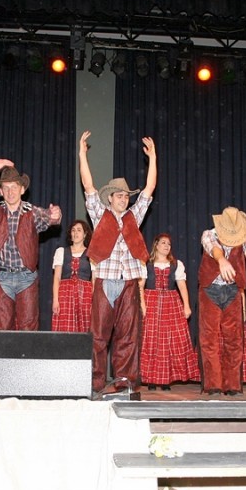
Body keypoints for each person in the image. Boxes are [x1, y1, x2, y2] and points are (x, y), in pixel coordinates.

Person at [79, 130, 157, 393]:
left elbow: (149, 190)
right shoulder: (100, 214)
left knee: (128, 338)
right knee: (98, 337)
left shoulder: (135, 215)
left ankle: (124, 385)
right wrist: (82, 155)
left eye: (126, 196)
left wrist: (153, 159)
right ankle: (94, 384)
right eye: (119, 195)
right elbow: (88, 187)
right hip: (105, 282)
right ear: (110, 198)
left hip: (128, 284)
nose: (124, 199)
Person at [0, 159, 61, 331]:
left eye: (14, 187)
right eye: (6, 188)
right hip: (2, 277)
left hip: (27, 278)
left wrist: (56, 215)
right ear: (1, 191)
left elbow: (51, 218)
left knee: (28, 330)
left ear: (22, 189)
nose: (10, 192)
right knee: (1, 331)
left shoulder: (33, 213)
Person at [198, 206, 246, 396]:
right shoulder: (209, 234)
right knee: (209, 340)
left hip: (233, 291)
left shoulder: (244, 234)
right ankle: (213, 385)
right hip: (210, 290)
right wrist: (222, 260)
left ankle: (233, 385)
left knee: (234, 340)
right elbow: (214, 249)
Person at [139, 233, 200, 390]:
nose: (166, 246)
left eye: (169, 244)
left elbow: (182, 286)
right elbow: (140, 285)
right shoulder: (146, 264)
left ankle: (166, 379)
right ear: (156, 245)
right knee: (151, 341)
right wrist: (143, 305)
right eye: (163, 243)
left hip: (171, 303)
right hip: (151, 301)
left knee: (169, 341)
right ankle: (151, 379)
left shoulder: (176, 264)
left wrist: (186, 305)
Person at [52, 219, 94, 333]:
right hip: (65, 295)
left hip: (85, 295)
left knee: (84, 327)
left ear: (85, 234)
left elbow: (94, 280)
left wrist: (93, 301)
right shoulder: (61, 252)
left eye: (79, 230)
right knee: (65, 328)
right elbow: (57, 277)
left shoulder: (91, 253)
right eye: (73, 230)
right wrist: (55, 300)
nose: (75, 233)